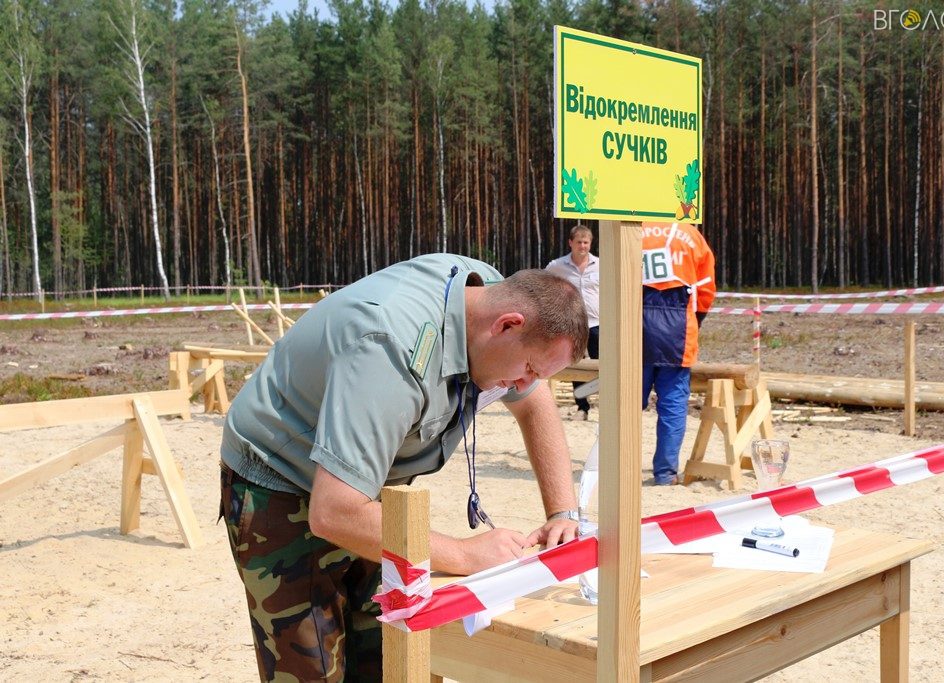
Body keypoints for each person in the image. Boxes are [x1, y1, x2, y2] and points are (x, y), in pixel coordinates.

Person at [219, 254, 588, 682]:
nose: (524, 384)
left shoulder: (491, 298)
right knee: (312, 667)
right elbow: (334, 512)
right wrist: (464, 554)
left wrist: (562, 512)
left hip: (365, 491)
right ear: (507, 325)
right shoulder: (391, 348)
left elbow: (535, 404)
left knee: (386, 654)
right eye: (528, 370)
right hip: (283, 483)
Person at [640, 221, 716, 486]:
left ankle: (617, 466)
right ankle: (665, 473)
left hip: (635, 330)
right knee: (672, 406)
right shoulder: (691, 235)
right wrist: (697, 320)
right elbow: (706, 288)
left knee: (626, 405)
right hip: (678, 333)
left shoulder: (634, 229)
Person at [545, 223, 600, 420]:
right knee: (576, 365)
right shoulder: (557, 266)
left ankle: (606, 404)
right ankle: (582, 408)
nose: (582, 246)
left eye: (586, 242)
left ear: (590, 243)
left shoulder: (601, 265)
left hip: (597, 323)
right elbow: (543, 285)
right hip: (572, 324)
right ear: (570, 243)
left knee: (603, 365)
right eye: (579, 242)